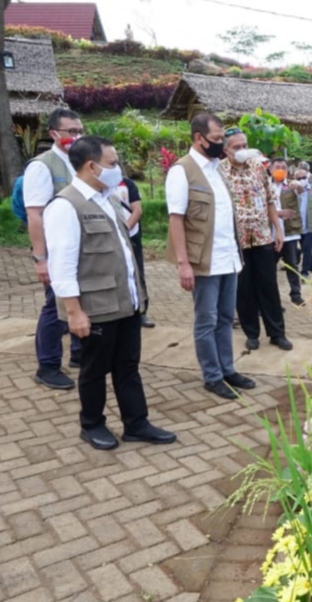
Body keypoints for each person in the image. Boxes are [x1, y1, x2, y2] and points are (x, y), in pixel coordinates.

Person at [43, 136, 176, 450]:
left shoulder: (107, 198)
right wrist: (74, 312)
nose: (119, 170)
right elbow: (61, 267)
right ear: (92, 166)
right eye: (113, 164)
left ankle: (136, 423)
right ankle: (92, 425)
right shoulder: (66, 205)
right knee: (94, 369)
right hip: (96, 306)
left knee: (127, 366)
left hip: (126, 303)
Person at [165, 112, 256, 401]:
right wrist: (183, 264)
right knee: (207, 320)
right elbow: (176, 219)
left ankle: (227, 369)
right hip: (202, 261)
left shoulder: (217, 169)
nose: (220, 145)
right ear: (198, 138)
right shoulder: (183, 170)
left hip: (228, 258)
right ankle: (212, 376)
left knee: (226, 317)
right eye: (216, 140)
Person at [24, 108, 84, 389]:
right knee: (55, 307)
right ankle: (47, 366)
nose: (77, 135)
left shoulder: (78, 160)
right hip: (55, 249)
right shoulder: (42, 165)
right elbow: (35, 214)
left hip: (79, 247)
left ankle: (78, 353)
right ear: (54, 134)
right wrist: (41, 258)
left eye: (80, 130)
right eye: (71, 131)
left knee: (78, 298)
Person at [219, 129, 292, 352]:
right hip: (236, 241)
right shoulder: (219, 171)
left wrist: (278, 231)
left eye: (244, 145)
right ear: (225, 150)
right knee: (244, 289)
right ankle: (252, 333)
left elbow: (270, 200)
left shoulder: (258, 168)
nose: (242, 151)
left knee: (268, 286)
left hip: (261, 237)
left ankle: (277, 333)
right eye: (236, 147)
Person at [114, 175, 155, 328]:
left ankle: (142, 312)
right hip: (109, 238)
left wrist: (125, 229)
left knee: (137, 272)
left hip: (130, 235)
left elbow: (137, 210)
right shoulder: (97, 185)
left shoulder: (127, 183)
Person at [271, 158, 304, 305]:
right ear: (270, 169)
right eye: (277, 167)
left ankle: (296, 293)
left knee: (292, 264)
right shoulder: (264, 185)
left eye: (283, 167)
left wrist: (298, 185)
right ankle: (272, 299)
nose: (280, 170)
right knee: (269, 268)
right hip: (269, 234)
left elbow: (301, 191)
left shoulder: (291, 186)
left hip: (289, 233)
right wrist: (278, 213)